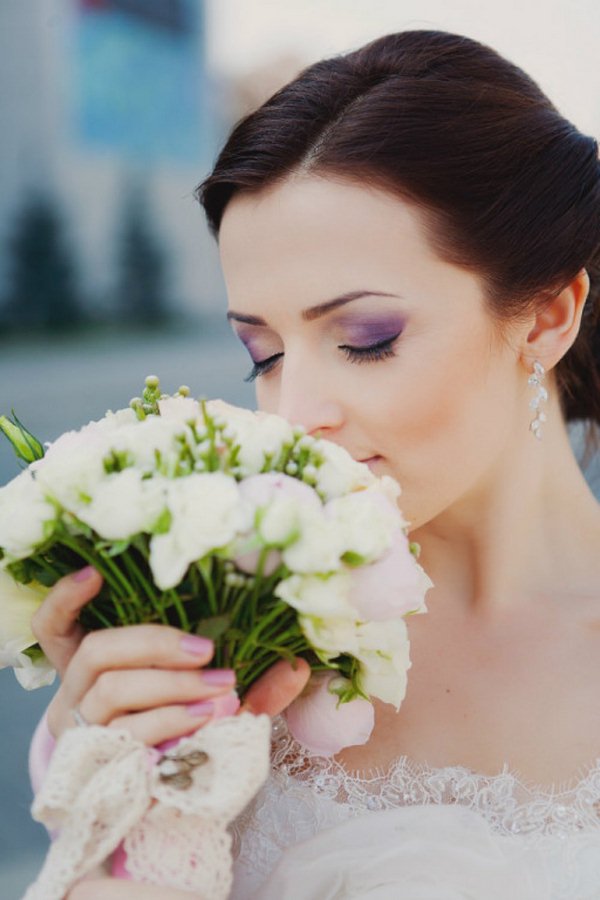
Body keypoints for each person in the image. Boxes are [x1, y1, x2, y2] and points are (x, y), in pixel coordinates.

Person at [30, 30, 600, 898]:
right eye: (262, 354)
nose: (294, 416)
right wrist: (129, 797)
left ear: (548, 317)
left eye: (365, 341)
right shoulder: (216, 628)